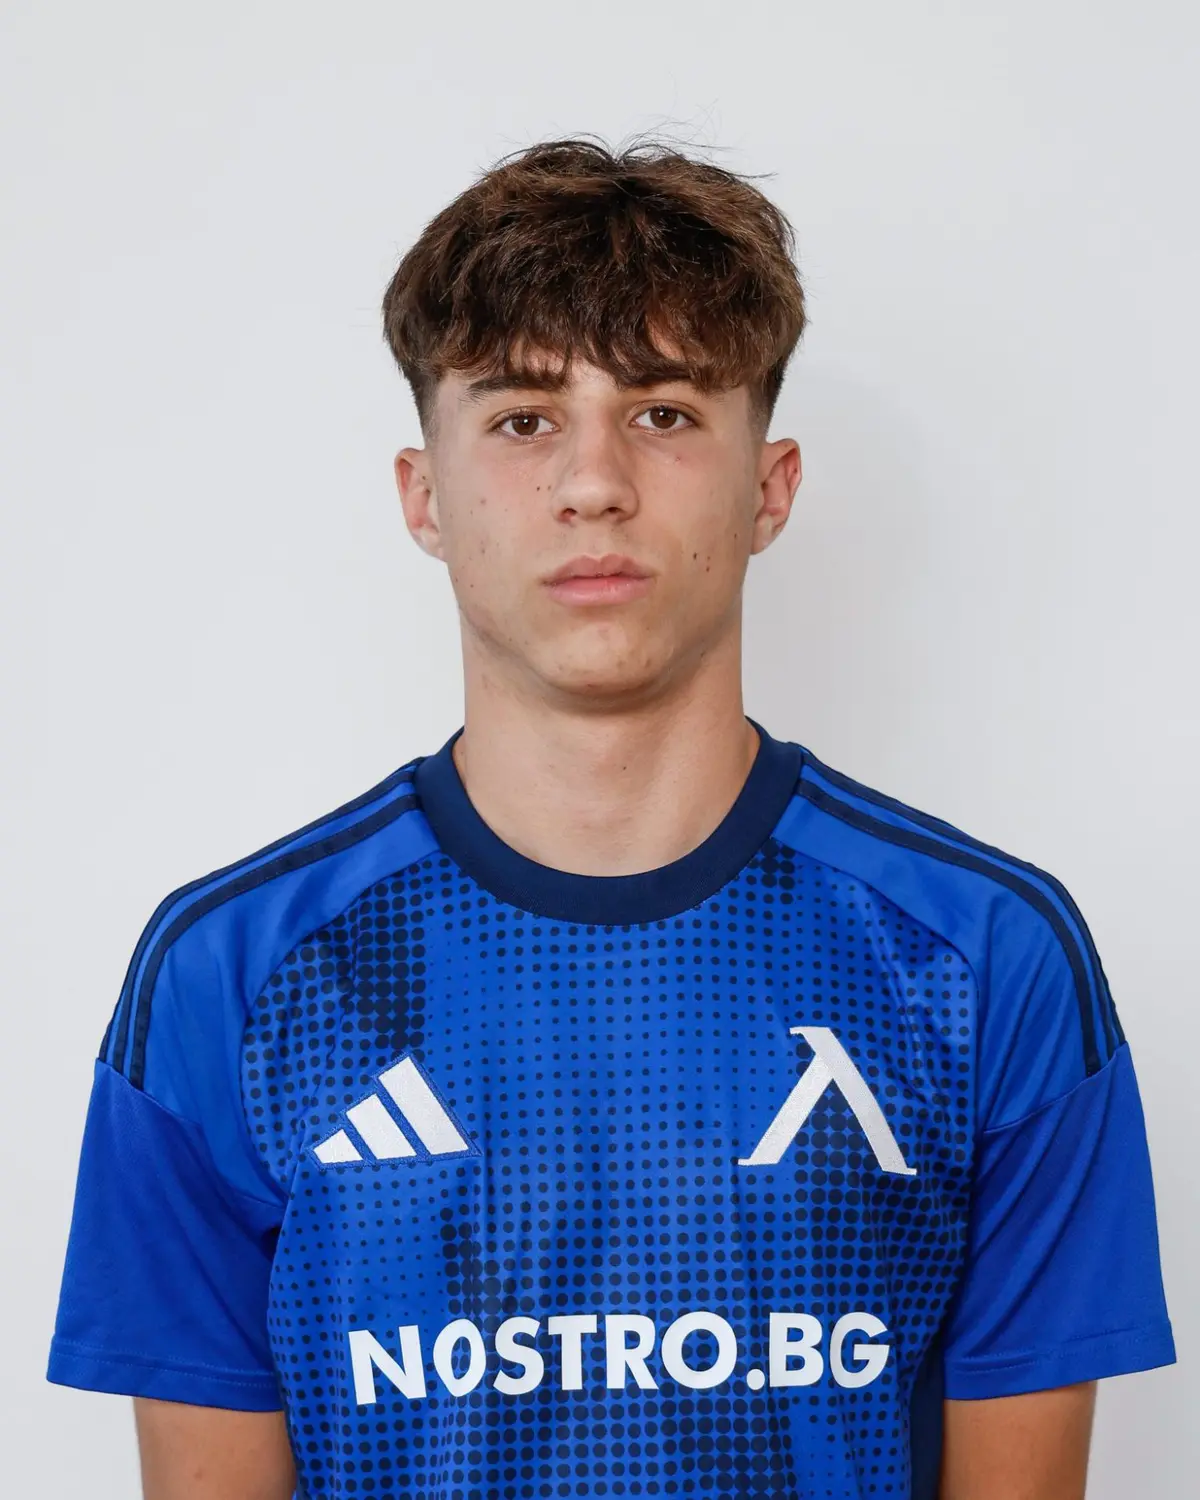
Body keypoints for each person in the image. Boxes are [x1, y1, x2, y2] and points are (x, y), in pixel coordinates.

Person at [47, 135, 1175, 1500]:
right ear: (423, 496)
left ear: (771, 488)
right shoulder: (230, 975)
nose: (594, 483)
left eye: (665, 413)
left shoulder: (987, 955)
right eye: (524, 419)